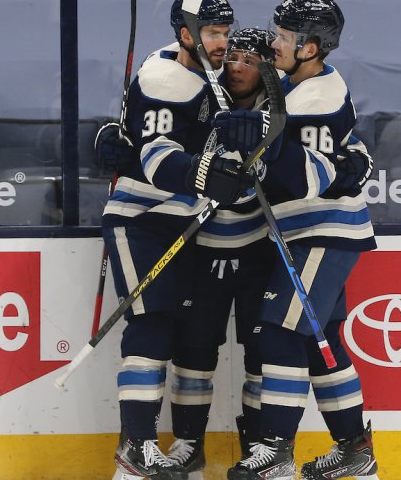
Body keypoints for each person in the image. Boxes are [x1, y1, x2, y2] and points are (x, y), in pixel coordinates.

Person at [223, 0, 379, 480]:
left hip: (321, 231)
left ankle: (276, 451)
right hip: (308, 232)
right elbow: (351, 151)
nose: (274, 43)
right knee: (320, 342)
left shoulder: (314, 97)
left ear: (311, 47)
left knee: (279, 331)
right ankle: (355, 452)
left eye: (285, 38)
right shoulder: (296, 87)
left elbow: (312, 176)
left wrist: (260, 144)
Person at [99, 0, 254, 479]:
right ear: (185, 33)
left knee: (188, 335)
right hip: (142, 219)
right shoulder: (166, 76)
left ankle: (186, 449)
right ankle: (136, 452)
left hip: (189, 224)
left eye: (225, 33)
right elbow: (157, 159)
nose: (222, 43)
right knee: (151, 324)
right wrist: (205, 175)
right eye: (211, 33)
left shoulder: (212, 73)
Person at [163, 27, 279, 475]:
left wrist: (352, 164)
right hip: (201, 248)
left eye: (251, 60)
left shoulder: (282, 108)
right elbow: (161, 143)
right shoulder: (200, 100)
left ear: (268, 67)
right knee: (192, 352)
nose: (237, 67)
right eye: (233, 57)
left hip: (258, 252)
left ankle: (257, 447)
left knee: (261, 354)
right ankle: (188, 444)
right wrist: (118, 143)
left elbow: (342, 146)